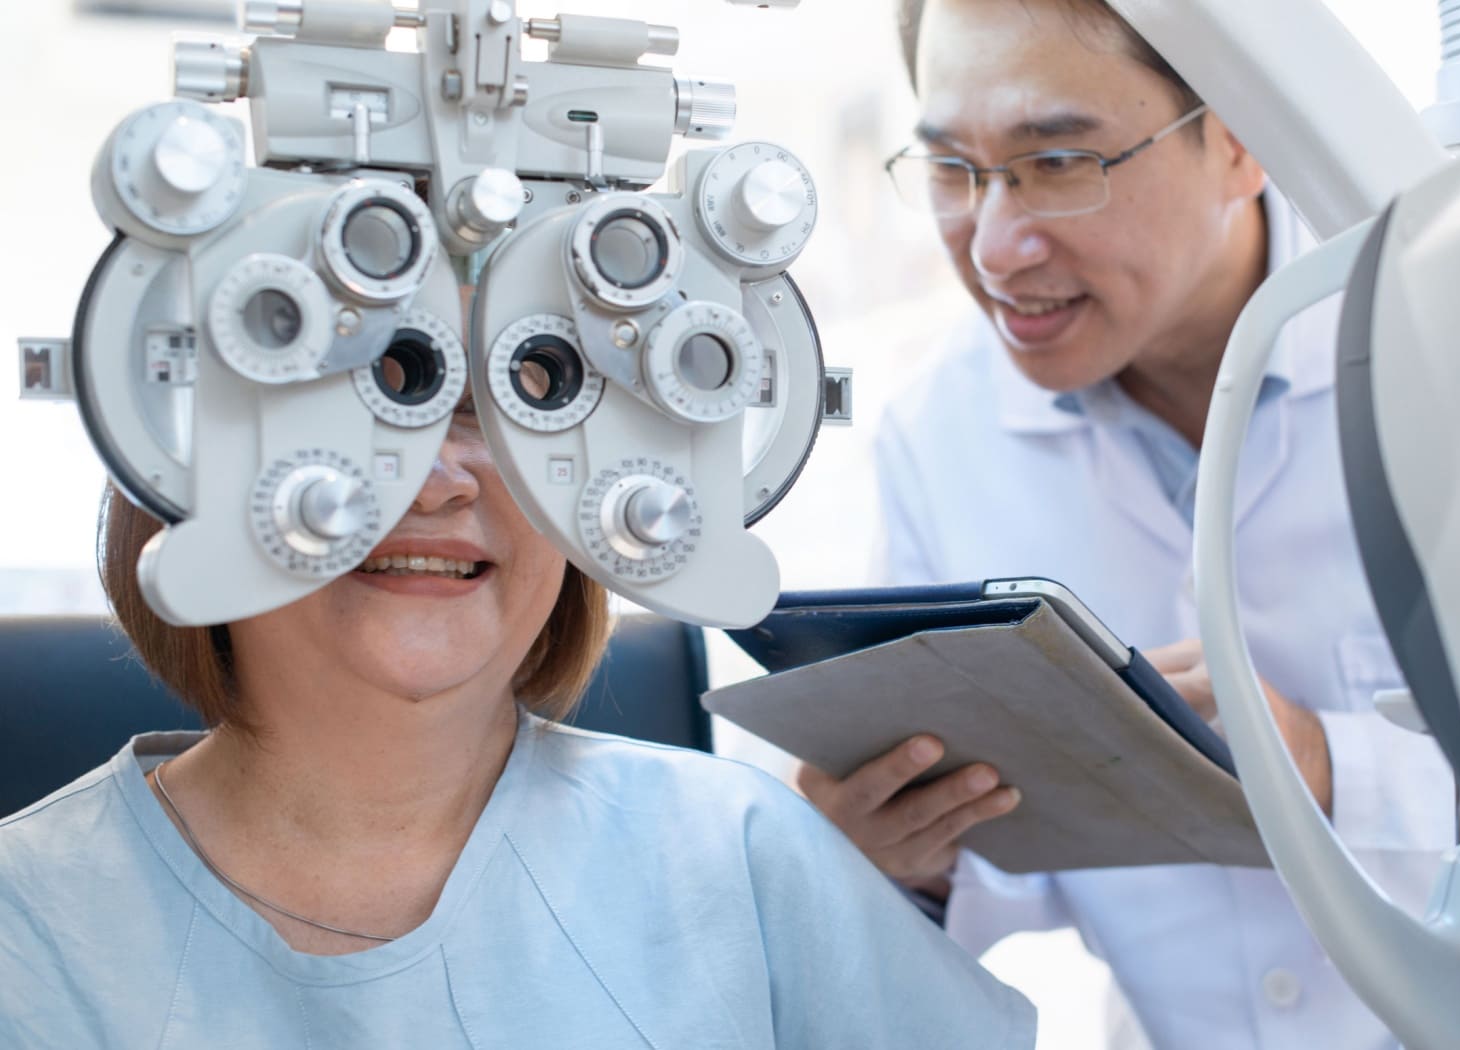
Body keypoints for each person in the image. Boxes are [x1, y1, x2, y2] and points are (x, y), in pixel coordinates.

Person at [0, 378, 1036, 1048]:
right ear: (179, 459)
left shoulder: (746, 855)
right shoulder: (32, 928)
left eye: (520, 397)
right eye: (355, 399)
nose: (441, 476)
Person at [797, 1, 1456, 1047]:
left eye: (1057, 160)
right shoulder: (937, 436)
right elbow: (1023, 873)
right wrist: (908, 853)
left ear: (1241, 137)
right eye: (950, 171)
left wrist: (1330, 774)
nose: (996, 247)